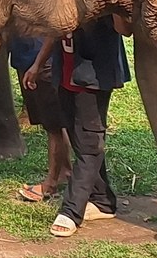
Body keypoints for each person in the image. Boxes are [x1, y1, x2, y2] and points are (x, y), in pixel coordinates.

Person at [51, 12, 133, 237]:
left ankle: (71, 211)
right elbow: (53, 32)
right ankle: (103, 201)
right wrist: (38, 64)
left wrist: (114, 7)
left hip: (92, 79)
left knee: (89, 144)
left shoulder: (104, 2)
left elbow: (125, 29)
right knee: (80, 142)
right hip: (65, 75)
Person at [12, 34, 71, 206]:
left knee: (54, 126)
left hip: (42, 61)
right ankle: (64, 172)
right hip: (26, 59)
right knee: (51, 124)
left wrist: (38, 64)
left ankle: (51, 184)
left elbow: (53, 31)